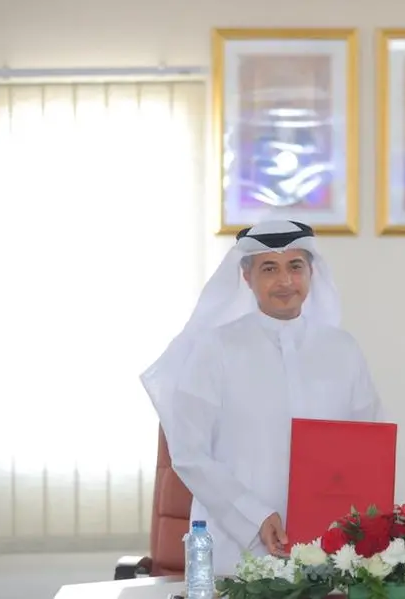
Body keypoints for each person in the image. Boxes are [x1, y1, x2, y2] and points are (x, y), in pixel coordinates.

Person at [141, 220, 386, 575]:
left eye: (295, 266)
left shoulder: (343, 350)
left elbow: (368, 444)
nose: (285, 281)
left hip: (326, 547)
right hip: (236, 547)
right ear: (247, 277)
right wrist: (254, 515)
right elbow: (190, 453)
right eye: (269, 268)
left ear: (311, 272)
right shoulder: (215, 348)